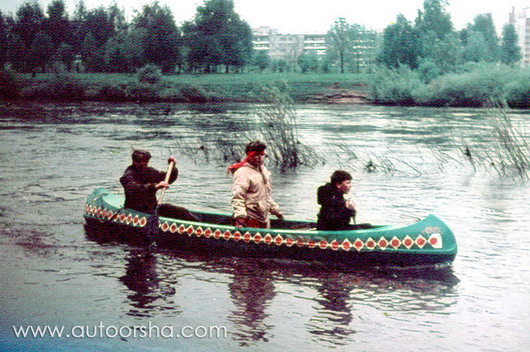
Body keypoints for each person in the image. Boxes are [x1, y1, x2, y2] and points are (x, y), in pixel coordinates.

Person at [120, 150, 199, 221]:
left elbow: (167, 178)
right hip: (136, 209)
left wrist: (172, 167)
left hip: (152, 207)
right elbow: (134, 189)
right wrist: (155, 187)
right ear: (134, 162)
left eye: (146, 162)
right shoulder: (128, 175)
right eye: (141, 162)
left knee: (183, 212)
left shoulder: (149, 171)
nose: (144, 164)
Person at [229, 141, 284, 229]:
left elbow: (266, 196)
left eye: (261, 155)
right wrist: (240, 218)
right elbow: (238, 197)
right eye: (255, 155)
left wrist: (276, 211)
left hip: (263, 219)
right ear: (248, 156)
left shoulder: (263, 171)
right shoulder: (242, 173)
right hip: (250, 219)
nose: (258, 158)